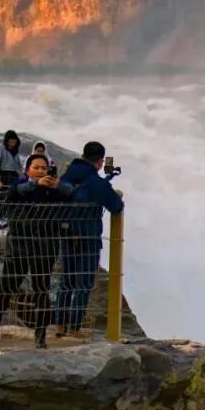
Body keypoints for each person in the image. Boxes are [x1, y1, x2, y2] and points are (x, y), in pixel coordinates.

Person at [0, 154, 74, 349]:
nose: (41, 171)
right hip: (19, 247)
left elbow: (71, 193)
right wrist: (36, 185)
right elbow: (11, 198)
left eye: (44, 168)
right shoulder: (19, 186)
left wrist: (57, 185)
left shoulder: (53, 190)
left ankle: (40, 335)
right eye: (36, 168)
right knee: (7, 288)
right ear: (27, 170)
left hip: (45, 248)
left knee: (41, 290)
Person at [55, 141, 123, 337]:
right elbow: (116, 205)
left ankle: (60, 326)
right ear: (100, 162)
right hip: (88, 237)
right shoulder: (96, 182)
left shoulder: (67, 175)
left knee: (66, 282)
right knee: (83, 284)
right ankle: (75, 328)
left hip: (67, 234)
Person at [0, 130, 23, 228]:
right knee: (1, 199)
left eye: (14, 140)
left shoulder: (16, 152)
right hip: (3, 176)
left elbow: (19, 167)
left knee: (12, 199)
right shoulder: (1, 150)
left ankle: (9, 222)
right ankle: (1, 223)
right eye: (10, 140)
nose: (13, 142)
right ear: (7, 141)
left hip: (14, 177)